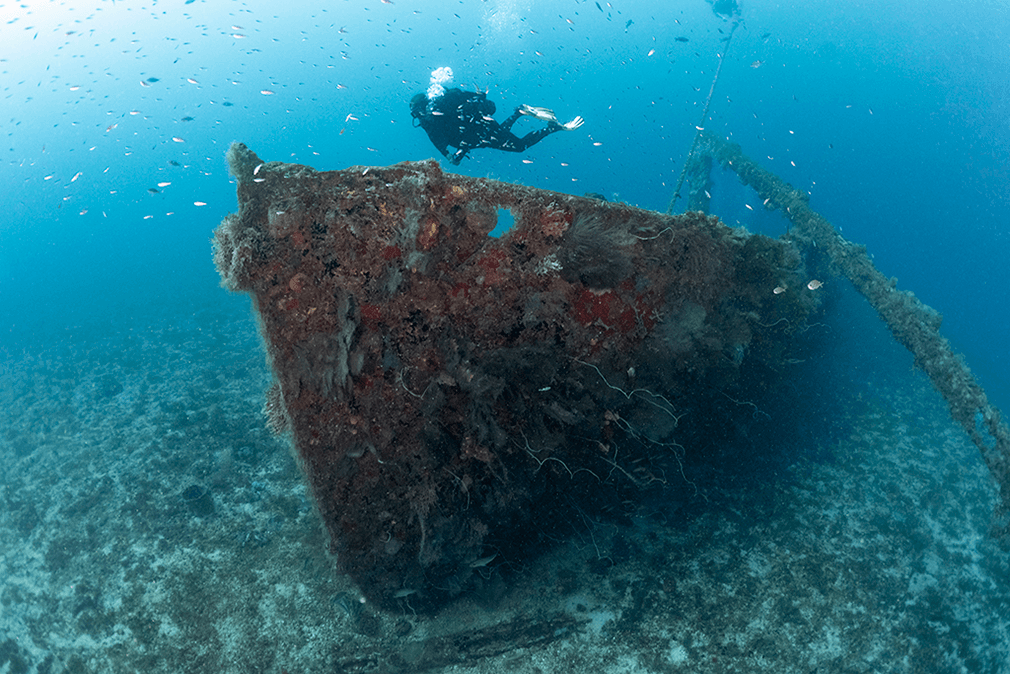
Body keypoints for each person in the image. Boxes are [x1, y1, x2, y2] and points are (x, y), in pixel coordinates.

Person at [410, 85, 583, 165]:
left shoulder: (428, 121)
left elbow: (439, 143)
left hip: (476, 135)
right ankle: (518, 112)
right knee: (500, 135)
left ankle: (551, 128)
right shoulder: (440, 105)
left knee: (520, 146)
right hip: (483, 126)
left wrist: (453, 156)